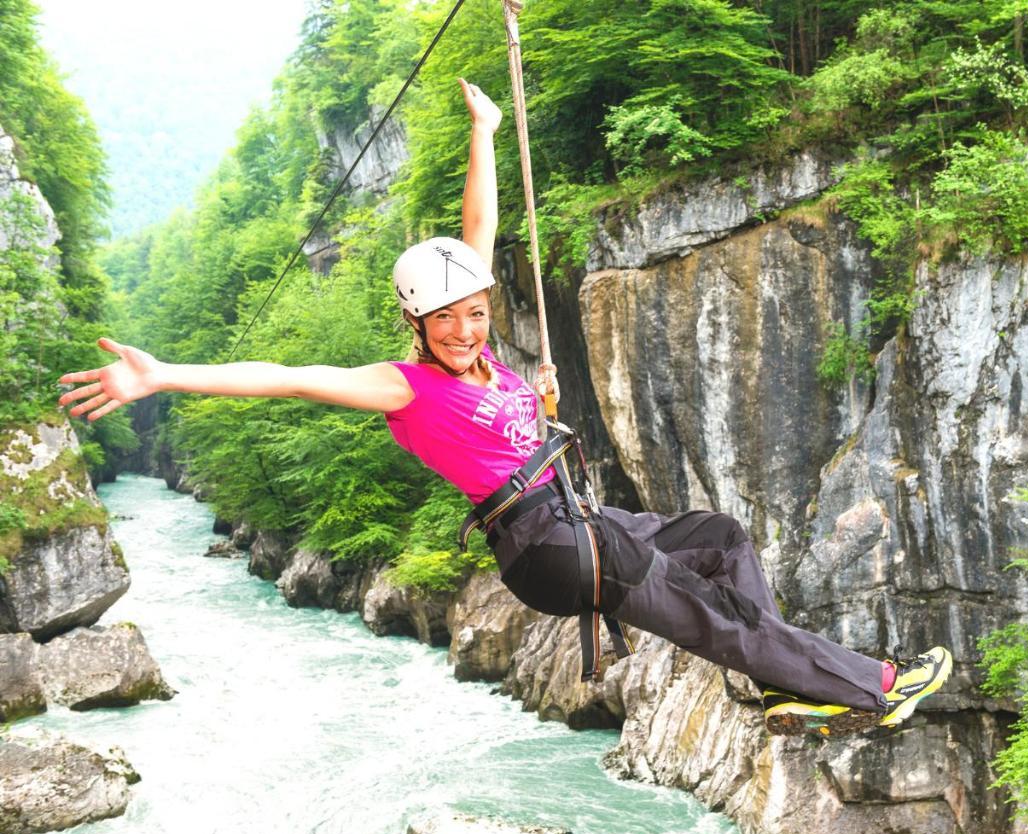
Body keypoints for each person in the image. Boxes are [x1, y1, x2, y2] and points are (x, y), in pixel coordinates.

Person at [58, 79, 951, 737]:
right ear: (416, 321)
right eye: (444, 318)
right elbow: (288, 375)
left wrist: (485, 128)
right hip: (547, 548)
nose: (463, 327)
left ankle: (773, 677)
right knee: (708, 612)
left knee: (719, 538)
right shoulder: (406, 386)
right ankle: (873, 685)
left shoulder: (486, 351)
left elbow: (475, 231)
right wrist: (164, 374)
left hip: (583, 522)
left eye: (475, 311)